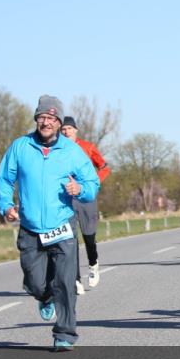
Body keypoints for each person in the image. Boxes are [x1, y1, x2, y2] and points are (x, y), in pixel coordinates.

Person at [0, 96, 100, 350]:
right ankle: (44, 297)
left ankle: (65, 333)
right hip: (30, 227)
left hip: (62, 224)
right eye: (42, 117)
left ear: (59, 122)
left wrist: (80, 189)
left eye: (52, 119)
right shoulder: (21, 147)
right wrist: (6, 205)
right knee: (35, 282)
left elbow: (92, 183)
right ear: (36, 120)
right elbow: (4, 179)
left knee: (65, 281)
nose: (46, 122)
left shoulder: (72, 150)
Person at [61, 116, 111, 293]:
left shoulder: (88, 147)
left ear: (76, 130)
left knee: (89, 237)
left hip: (86, 197)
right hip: (67, 199)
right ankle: (75, 280)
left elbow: (105, 167)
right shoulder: (57, 150)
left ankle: (93, 264)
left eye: (69, 129)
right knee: (70, 240)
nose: (66, 132)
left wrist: (92, 183)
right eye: (63, 129)